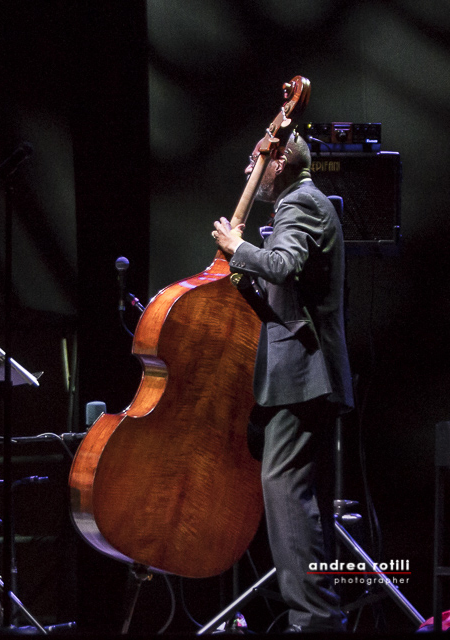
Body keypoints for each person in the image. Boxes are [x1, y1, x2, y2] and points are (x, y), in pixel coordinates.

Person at [212, 130, 354, 632]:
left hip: (303, 374)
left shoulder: (301, 204)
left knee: (286, 492)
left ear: (279, 163)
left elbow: (285, 264)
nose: (251, 172)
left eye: (256, 162)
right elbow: (282, 294)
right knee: (295, 496)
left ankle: (314, 618)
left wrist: (238, 246)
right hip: (298, 374)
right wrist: (242, 273)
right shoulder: (300, 204)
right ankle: (317, 614)